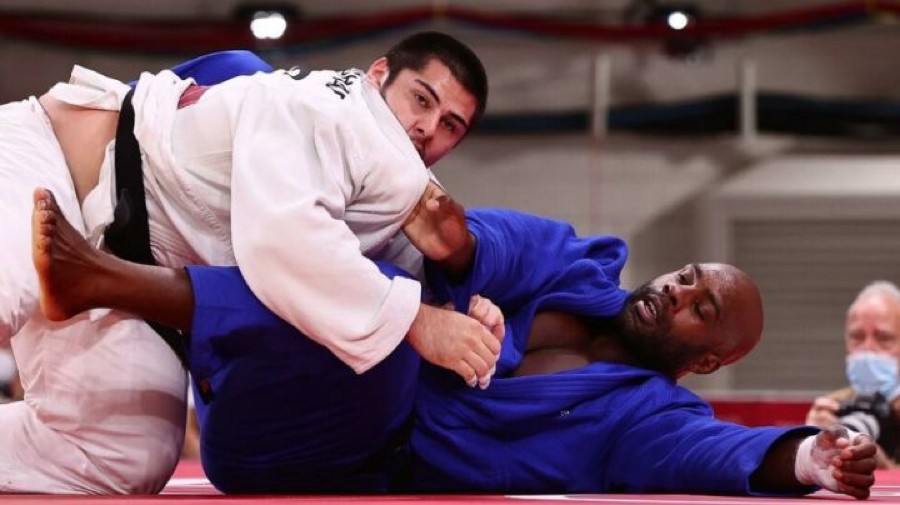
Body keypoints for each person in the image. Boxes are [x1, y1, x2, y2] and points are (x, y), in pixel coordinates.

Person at [30, 188, 876, 498]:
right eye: (686, 275)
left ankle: (105, 279)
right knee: (382, 290)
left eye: (699, 308)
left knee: (393, 329)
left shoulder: (644, 418)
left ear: (707, 360)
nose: (676, 290)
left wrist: (813, 459)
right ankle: (130, 231)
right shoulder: (578, 264)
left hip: (309, 455)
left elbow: (720, 454)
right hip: (267, 367)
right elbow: (493, 244)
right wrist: (460, 250)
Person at [1, 32, 498, 494]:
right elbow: (285, 243)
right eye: (421, 99)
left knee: (125, 452)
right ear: (379, 74)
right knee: (7, 289)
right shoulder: (327, 110)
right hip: (49, 163)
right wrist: (417, 320)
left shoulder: (400, 189)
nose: (427, 128)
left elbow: (394, 274)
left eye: (450, 125)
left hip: (113, 263)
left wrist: (464, 314)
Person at [806, 281, 900, 469]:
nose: (867, 349)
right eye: (857, 337)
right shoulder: (835, 404)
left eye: (884, 338)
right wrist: (810, 442)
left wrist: (884, 469)